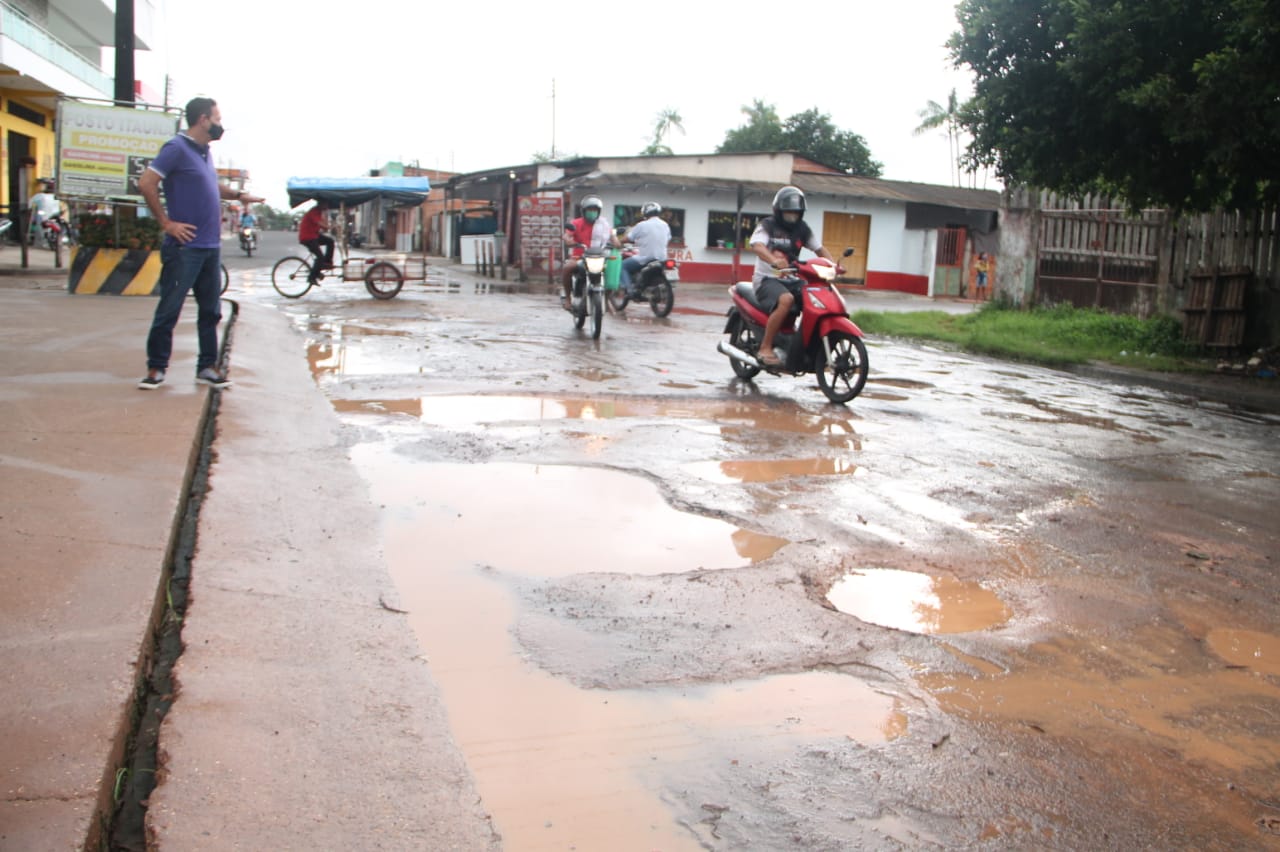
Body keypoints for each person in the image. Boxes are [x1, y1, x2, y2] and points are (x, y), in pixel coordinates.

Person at [136, 96, 263, 390]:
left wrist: (238, 196)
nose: (220, 125)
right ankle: (156, 369)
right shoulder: (176, 148)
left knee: (211, 310)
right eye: (217, 119)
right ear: (203, 120)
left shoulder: (204, 152)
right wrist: (167, 223)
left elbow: (210, 184)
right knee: (170, 308)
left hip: (209, 247)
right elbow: (146, 183)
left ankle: (206, 366)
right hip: (185, 248)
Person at [749, 185, 837, 367]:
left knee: (815, 297)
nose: (792, 216)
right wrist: (773, 260)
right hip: (767, 280)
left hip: (791, 279)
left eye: (795, 213)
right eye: (788, 212)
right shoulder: (767, 225)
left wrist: (832, 265)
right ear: (779, 211)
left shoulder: (802, 229)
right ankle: (765, 347)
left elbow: (819, 249)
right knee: (786, 300)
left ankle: (803, 346)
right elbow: (757, 246)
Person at [559, 195, 618, 310]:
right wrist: (568, 240)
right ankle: (568, 298)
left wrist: (616, 242)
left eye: (595, 210)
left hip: (599, 257)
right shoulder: (576, 223)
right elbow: (567, 235)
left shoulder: (604, 225)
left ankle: (607, 299)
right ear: (584, 211)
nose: (592, 212)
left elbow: (613, 237)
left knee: (613, 269)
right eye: (590, 210)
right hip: (579, 256)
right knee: (567, 267)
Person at [618, 202, 671, 298]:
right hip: (662, 258)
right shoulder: (665, 225)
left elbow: (629, 238)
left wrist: (618, 241)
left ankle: (629, 289)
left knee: (622, 266)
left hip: (645, 258)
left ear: (645, 213)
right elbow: (668, 238)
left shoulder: (641, 225)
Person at [298, 200, 335, 284]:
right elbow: (320, 223)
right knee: (320, 257)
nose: (327, 206)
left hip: (314, 235)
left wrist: (329, 225)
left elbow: (324, 227)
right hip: (307, 237)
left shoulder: (320, 212)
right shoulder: (314, 212)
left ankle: (326, 262)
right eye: (325, 204)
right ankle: (311, 277)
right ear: (321, 204)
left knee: (330, 241)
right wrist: (330, 227)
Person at [30, 181, 64, 245]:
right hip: (53, 216)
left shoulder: (40, 196)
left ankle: (42, 242)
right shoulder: (55, 197)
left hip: (46, 216)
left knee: (40, 226)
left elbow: (30, 204)